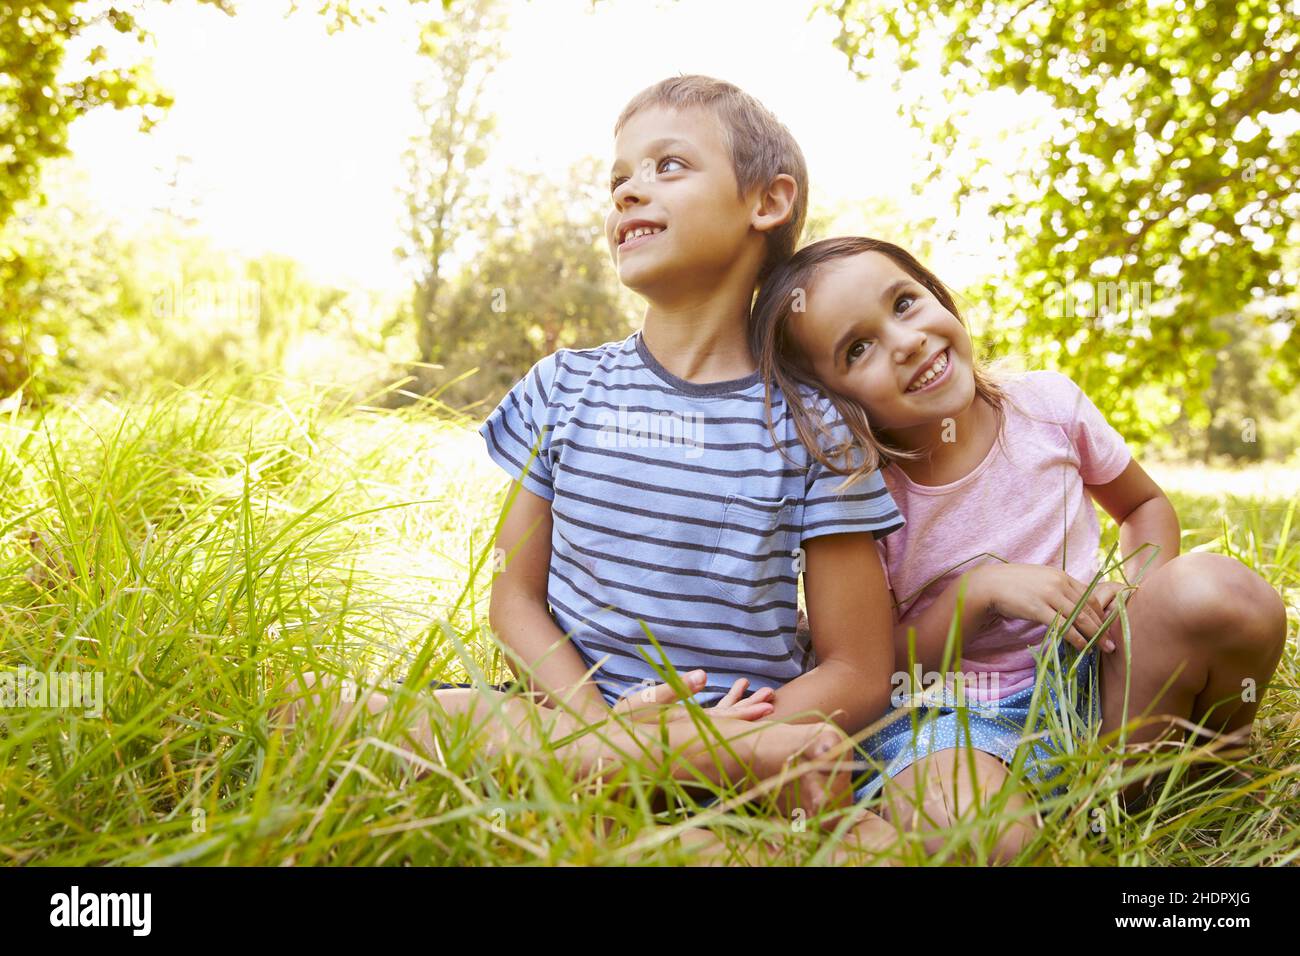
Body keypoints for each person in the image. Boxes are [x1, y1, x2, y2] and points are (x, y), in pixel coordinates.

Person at [278, 79, 906, 842]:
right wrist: (605, 733)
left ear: (766, 202)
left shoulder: (816, 428)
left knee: (840, 810)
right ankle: (622, 776)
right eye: (618, 181)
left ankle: (647, 797)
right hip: (576, 719)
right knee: (310, 705)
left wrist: (703, 740)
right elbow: (513, 599)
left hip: (745, 736)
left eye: (668, 166)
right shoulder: (562, 387)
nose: (630, 193)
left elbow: (860, 671)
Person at [748, 236, 1289, 861]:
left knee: (1219, 592)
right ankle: (1055, 819)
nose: (906, 342)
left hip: (1103, 672)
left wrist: (1138, 588)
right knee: (983, 833)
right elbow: (877, 666)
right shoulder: (856, 498)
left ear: (938, 295)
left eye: (904, 303)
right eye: (858, 348)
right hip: (957, 720)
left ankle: (1196, 771)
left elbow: (1143, 507)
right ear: (830, 401)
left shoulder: (1046, 407)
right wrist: (977, 594)